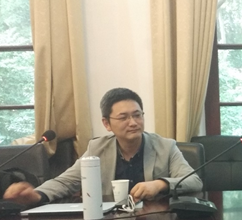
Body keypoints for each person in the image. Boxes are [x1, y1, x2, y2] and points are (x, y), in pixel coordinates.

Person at [3, 87, 202, 205]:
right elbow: (65, 182)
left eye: (137, 115)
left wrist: (160, 184)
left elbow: (194, 181)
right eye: (123, 117)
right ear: (107, 124)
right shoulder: (97, 149)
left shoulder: (166, 146)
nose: (133, 122)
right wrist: (36, 195)